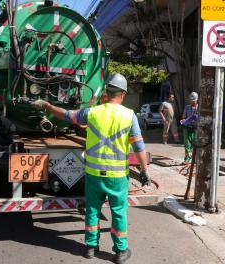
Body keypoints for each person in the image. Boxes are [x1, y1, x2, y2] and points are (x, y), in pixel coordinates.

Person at [32, 73, 150, 264]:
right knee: (118, 212)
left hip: (94, 174)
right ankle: (120, 251)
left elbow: (66, 115)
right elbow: (139, 146)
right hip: (117, 176)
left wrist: (47, 106)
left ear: (106, 91)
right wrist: (145, 171)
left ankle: (90, 248)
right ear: (123, 93)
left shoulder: (92, 113)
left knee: (92, 210)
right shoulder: (129, 116)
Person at [180, 92, 199, 165]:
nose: (192, 102)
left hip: (195, 129)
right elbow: (183, 116)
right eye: (191, 100)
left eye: (193, 100)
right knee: (187, 144)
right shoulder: (187, 107)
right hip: (187, 128)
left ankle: (195, 159)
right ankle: (187, 159)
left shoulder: (199, 108)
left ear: (196, 100)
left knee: (195, 143)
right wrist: (186, 120)